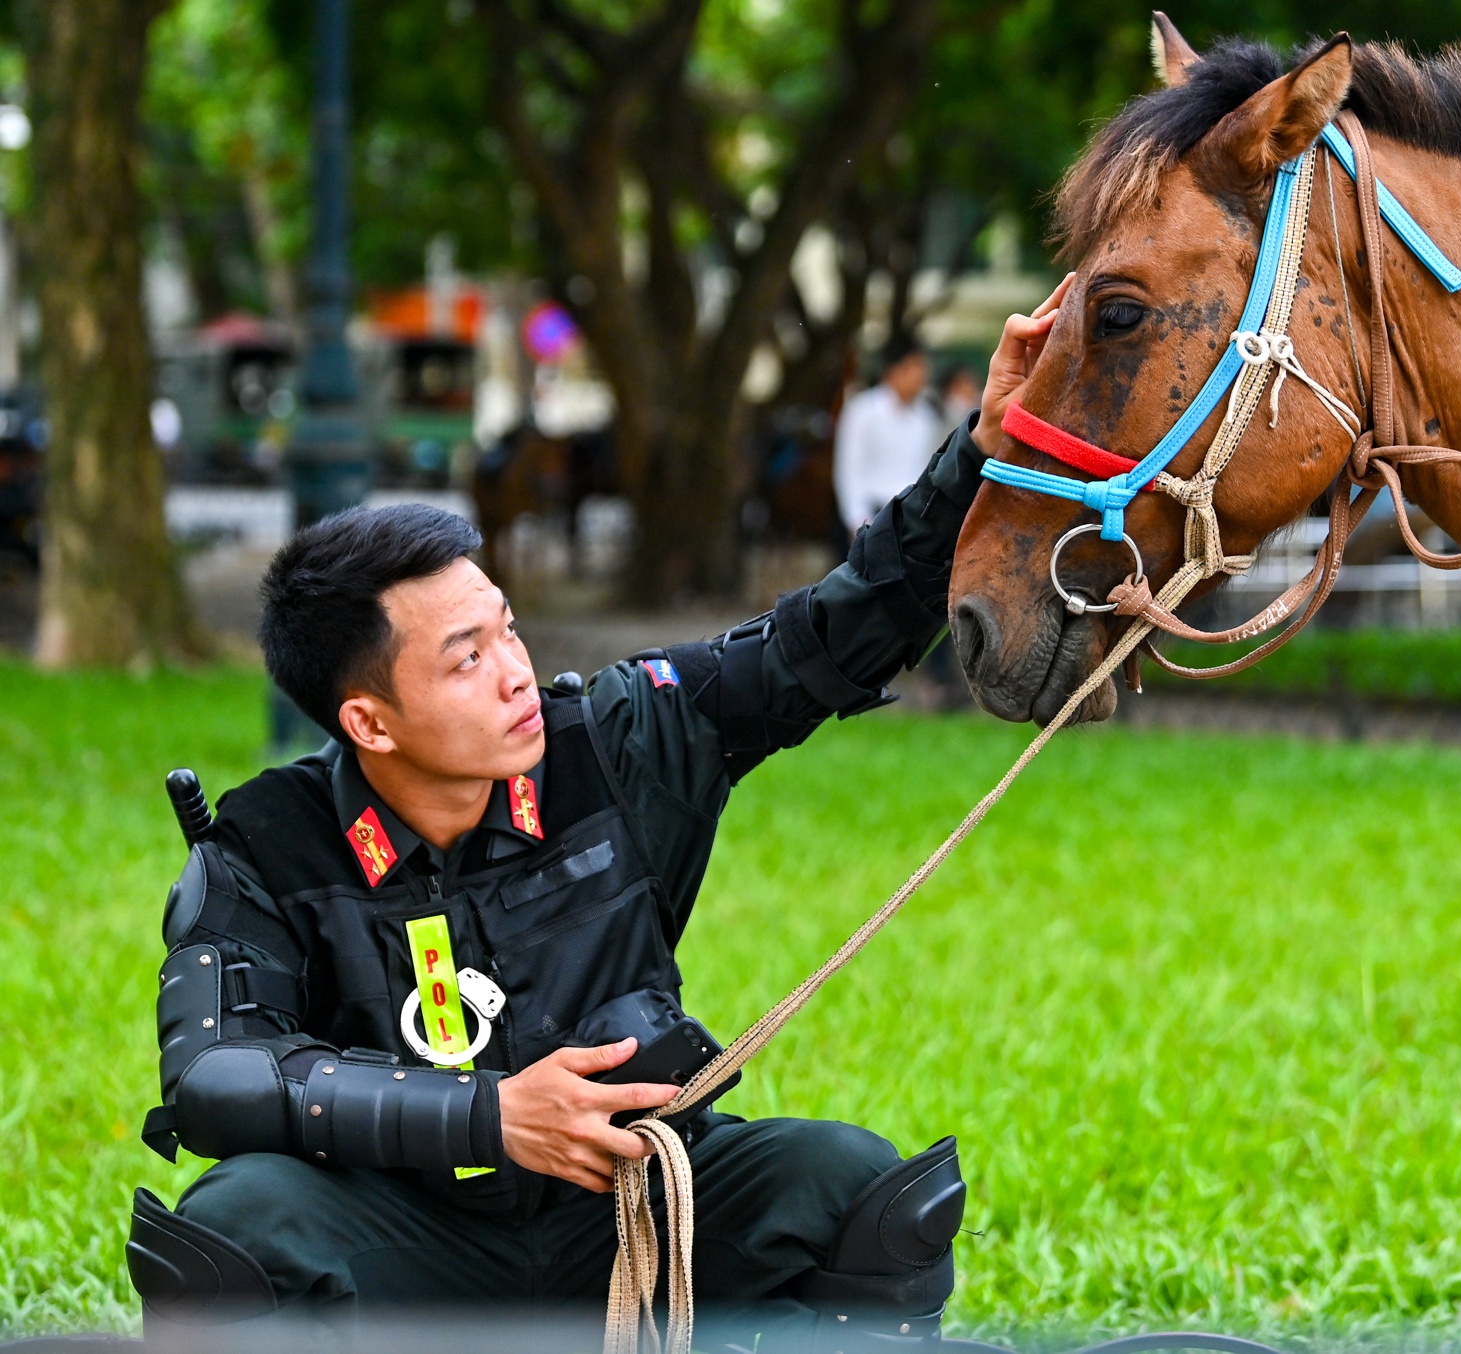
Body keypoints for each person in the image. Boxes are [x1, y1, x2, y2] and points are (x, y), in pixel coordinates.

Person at [128, 282, 1074, 1341]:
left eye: (508, 630)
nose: (515, 673)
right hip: (409, 1240)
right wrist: (492, 1116)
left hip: (632, 1217)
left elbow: (829, 635)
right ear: (370, 721)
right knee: (228, 1232)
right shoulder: (267, 844)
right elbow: (214, 1075)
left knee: (857, 1193)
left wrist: (985, 449)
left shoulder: (620, 740)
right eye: (466, 659)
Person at [833, 336, 941, 538]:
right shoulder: (862, 410)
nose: (921, 376)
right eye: (913, 368)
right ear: (893, 371)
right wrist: (857, 522)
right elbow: (849, 467)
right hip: (872, 513)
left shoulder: (925, 416)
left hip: (911, 518)